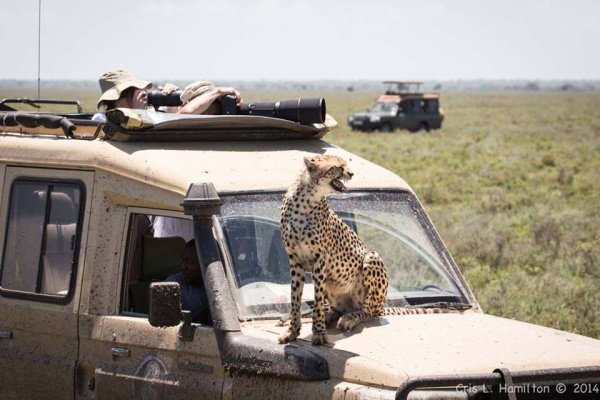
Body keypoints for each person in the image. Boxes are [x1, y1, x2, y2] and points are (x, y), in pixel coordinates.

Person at [92, 68, 241, 122]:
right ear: (117, 99)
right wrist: (138, 114)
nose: (140, 94)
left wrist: (171, 99)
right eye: (131, 91)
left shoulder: (149, 114)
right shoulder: (101, 120)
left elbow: (178, 117)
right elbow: (186, 115)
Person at [165, 239, 211, 324]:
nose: (183, 267)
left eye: (190, 261)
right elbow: (172, 327)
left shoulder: (223, 283)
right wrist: (211, 306)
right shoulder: (174, 285)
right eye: (182, 260)